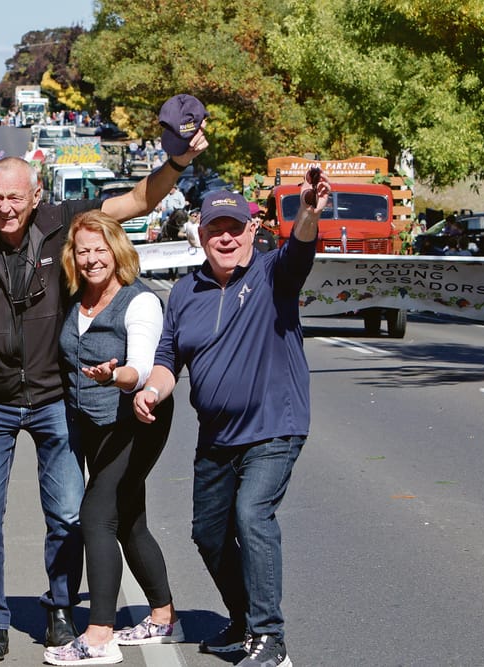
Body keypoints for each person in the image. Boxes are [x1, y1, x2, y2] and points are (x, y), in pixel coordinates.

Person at [0, 96, 208, 665]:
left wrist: (179, 163)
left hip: (52, 399)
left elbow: (137, 200)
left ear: (37, 196)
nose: (5, 208)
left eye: (15, 197)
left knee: (67, 514)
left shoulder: (64, 224)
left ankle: (62, 606)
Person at [133, 176, 330, 667]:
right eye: (216, 228)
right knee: (208, 531)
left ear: (251, 230)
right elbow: (167, 358)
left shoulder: (271, 275)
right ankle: (244, 620)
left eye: (234, 228)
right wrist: (152, 391)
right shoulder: (183, 293)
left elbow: (300, 249)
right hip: (217, 435)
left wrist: (308, 211)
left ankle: (270, 638)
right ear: (200, 233)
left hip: (274, 426)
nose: (226, 237)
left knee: (252, 514)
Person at [44, 211, 179, 666]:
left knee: (96, 514)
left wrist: (117, 374)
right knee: (128, 518)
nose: (91, 259)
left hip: (139, 416)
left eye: (100, 249)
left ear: (117, 250)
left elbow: (142, 365)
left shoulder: (139, 302)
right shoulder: (77, 297)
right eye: (83, 251)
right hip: (94, 422)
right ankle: (161, 615)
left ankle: (99, 635)